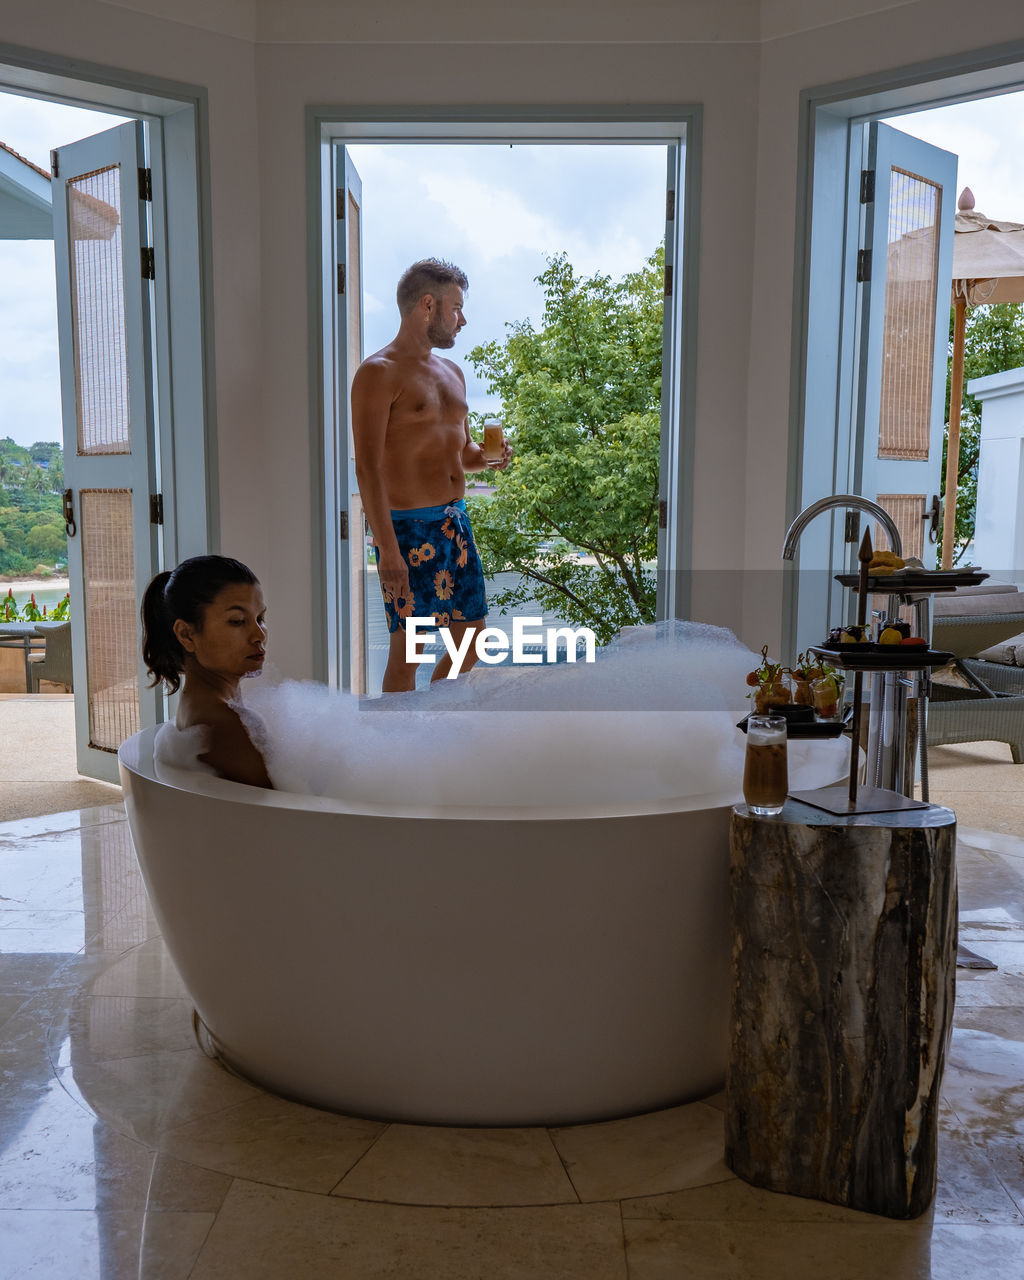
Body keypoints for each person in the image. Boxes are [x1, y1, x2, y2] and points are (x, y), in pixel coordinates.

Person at [351, 258, 513, 692]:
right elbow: (367, 467)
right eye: (456, 308)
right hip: (408, 532)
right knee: (410, 653)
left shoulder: (453, 373)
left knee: (472, 640)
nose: (463, 319)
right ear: (427, 305)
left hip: (456, 524)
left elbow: (464, 454)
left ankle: (431, 726)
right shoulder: (377, 373)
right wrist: (386, 551)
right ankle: (397, 750)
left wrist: (491, 458)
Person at [141, 555, 272, 787]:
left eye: (260, 618)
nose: (259, 635)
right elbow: (284, 816)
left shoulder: (203, 709)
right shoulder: (223, 727)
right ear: (187, 634)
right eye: (238, 621)